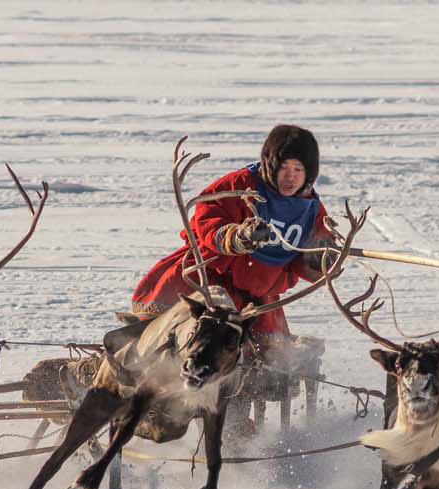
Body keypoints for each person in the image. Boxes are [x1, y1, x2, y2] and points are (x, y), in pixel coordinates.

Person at [131, 124, 336, 346]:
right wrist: (234, 237)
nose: (290, 177)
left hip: (257, 299)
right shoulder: (242, 185)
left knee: (271, 357)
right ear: (271, 165)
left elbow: (307, 256)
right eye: (283, 167)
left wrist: (320, 258)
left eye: (298, 169)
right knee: (177, 338)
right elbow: (206, 217)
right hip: (210, 279)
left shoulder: (311, 210)